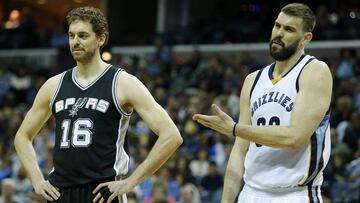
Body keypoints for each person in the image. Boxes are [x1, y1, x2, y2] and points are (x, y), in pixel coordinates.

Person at [14, 6, 183, 203]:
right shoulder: (54, 85)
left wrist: (130, 182)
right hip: (60, 192)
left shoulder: (123, 83)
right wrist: (37, 180)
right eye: (71, 35)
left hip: (102, 193)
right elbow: (22, 136)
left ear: (101, 39)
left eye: (83, 36)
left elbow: (171, 136)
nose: (75, 42)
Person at [193, 3, 332, 203]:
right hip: (250, 193)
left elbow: (295, 137)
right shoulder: (253, 80)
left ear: (306, 38)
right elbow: (240, 150)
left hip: (294, 194)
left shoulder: (314, 71)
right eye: (277, 26)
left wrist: (235, 129)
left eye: (289, 29)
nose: (279, 33)